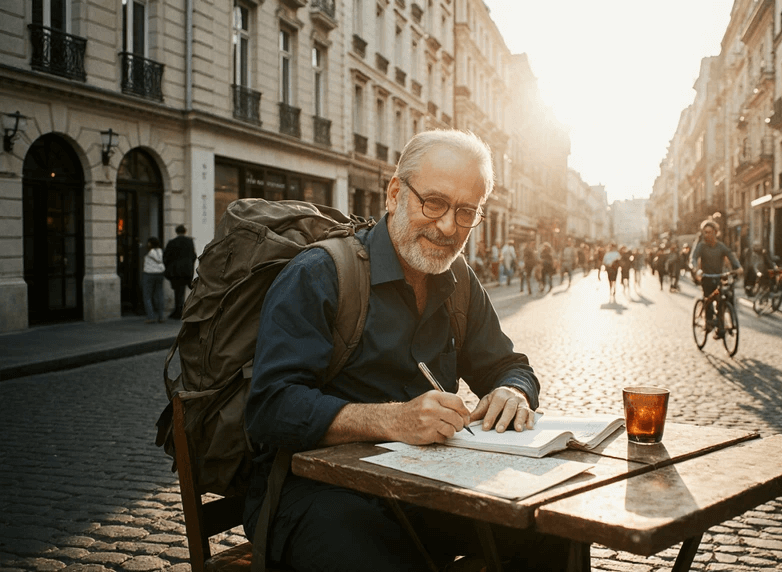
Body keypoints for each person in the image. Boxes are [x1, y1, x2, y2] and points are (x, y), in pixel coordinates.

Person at [243, 130, 569, 571]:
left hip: (425, 488)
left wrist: (514, 391)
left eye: (466, 212)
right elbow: (271, 407)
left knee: (552, 533)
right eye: (433, 202)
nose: (449, 227)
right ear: (395, 192)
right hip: (318, 495)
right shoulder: (319, 274)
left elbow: (508, 365)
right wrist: (394, 419)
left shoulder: (460, 283)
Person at [690, 221, 742, 337]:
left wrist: (738, 267)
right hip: (706, 278)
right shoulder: (701, 246)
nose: (706, 235)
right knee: (708, 299)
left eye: (709, 232)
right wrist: (696, 269)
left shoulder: (721, 246)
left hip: (719, 278)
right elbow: (693, 258)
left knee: (723, 299)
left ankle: (721, 326)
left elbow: (731, 256)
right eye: (705, 232)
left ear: (715, 233)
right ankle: (708, 321)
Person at [163, 224, 197, 319]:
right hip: (187, 270)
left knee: (178, 291)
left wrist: (168, 267)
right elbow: (193, 256)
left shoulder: (172, 242)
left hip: (176, 271)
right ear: (185, 231)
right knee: (182, 291)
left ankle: (179, 311)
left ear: (176, 232)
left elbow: (166, 257)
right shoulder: (189, 242)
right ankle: (180, 309)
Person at [141, 237, 166, 324]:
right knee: (159, 295)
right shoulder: (160, 251)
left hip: (149, 274)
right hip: (160, 274)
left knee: (147, 296)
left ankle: (151, 317)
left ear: (150, 243)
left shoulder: (148, 251)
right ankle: (161, 316)